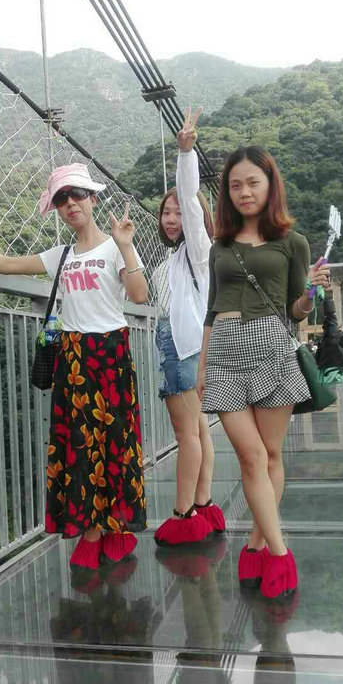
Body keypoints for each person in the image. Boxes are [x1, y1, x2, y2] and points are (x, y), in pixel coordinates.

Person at [0, 163, 148, 566]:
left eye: (77, 194)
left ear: (92, 199)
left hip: (111, 353)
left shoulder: (115, 246)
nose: (71, 203)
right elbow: (8, 264)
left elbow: (139, 295)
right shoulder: (61, 256)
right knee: (80, 442)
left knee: (116, 438)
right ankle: (93, 528)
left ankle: (112, 526)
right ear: (57, 208)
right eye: (61, 198)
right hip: (73, 357)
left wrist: (127, 246)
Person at [196, 146, 331, 597]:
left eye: (253, 182)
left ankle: (256, 544)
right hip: (226, 352)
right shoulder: (220, 245)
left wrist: (309, 295)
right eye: (235, 185)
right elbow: (211, 310)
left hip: (271, 347)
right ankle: (279, 552)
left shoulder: (293, 242)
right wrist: (202, 364)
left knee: (270, 455)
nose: (244, 192)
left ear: (270, 185)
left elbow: (296, 310)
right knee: (251, 456)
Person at [152, 108, 225, 547]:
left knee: (186, 435)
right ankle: (203, 505)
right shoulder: (174, 260)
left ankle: (183, 516)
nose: (171, 218)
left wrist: (185, 155)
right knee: (198, 431)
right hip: (183, 349)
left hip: (184, 350)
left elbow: (192, 204)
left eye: (179, 211)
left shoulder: (199, 250)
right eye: (166, 212)